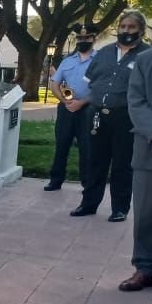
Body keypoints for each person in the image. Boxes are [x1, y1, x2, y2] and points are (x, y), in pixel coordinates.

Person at [70, 10, 151, 222]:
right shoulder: (104, 53)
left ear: (140, 30)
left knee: (122, 164)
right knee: (94, 161)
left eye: (132, 27)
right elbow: (90, 83)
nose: (126, 31)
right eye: (123, 27)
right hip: (97, 115)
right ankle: (88, 204)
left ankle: (120, 208)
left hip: (127, 117)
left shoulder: (148, 55)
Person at [118, 40, 152, 292]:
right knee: (146, 213)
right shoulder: (147, 60)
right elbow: (135, 100)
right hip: (150, 149)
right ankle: (144, 268)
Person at [45, 24, 98, 191]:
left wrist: (81, 103)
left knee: (87, 147)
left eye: (86, 37)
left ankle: (87, 183)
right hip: (66, 108)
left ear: (93, 38)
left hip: (88, 109)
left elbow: (101, 87)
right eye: (80, 38)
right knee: (61, 145)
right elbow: (55, 84)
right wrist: (65, 101)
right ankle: (55, 180)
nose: (83, 41)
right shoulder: (68, 61)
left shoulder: (100, 60)